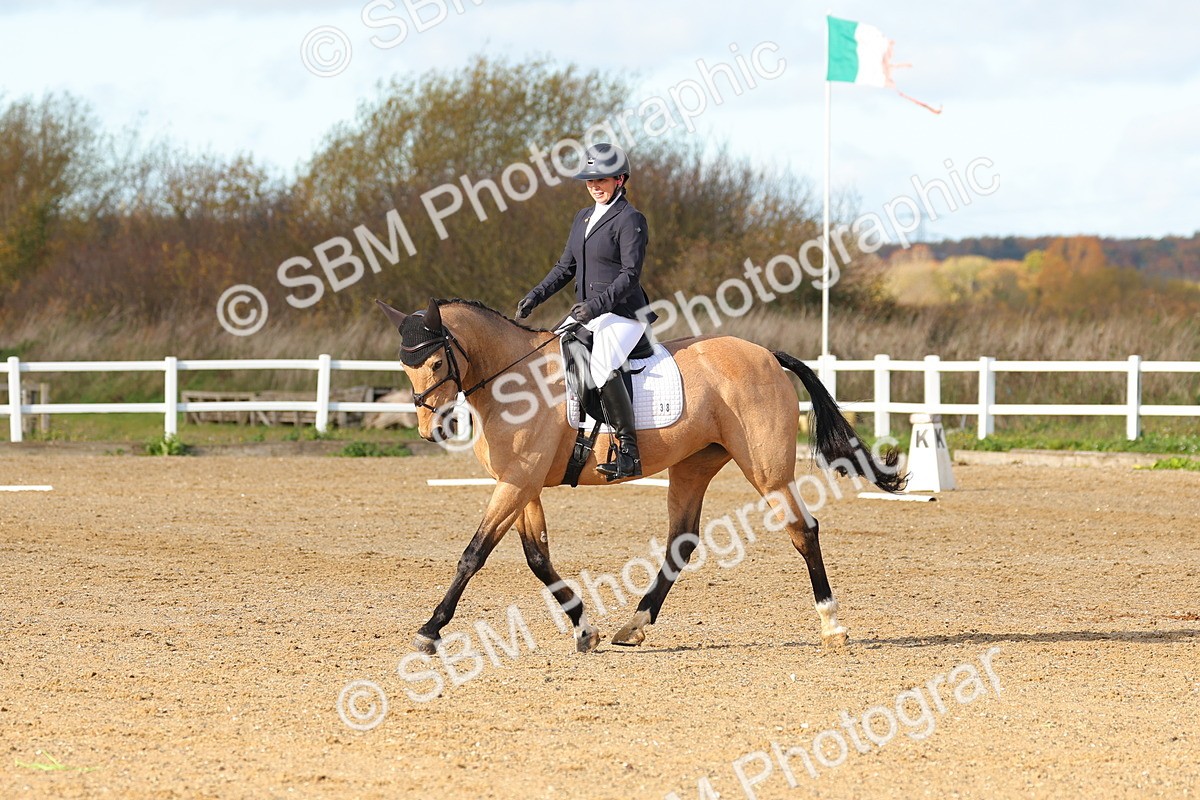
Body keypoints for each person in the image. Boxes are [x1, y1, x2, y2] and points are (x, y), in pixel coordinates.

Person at [516, 143, 655, 480]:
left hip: (623, 314)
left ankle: (628, 451)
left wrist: (595, 306)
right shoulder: (583, 217)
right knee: (550, 349)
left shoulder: (630, 219)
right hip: (590, 313)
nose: (595, 186)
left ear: (620, 179)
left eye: (602, 180)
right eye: (589, 180)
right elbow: (566, 267)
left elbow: (629, 275)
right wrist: (536, 295)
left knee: (603, 362)